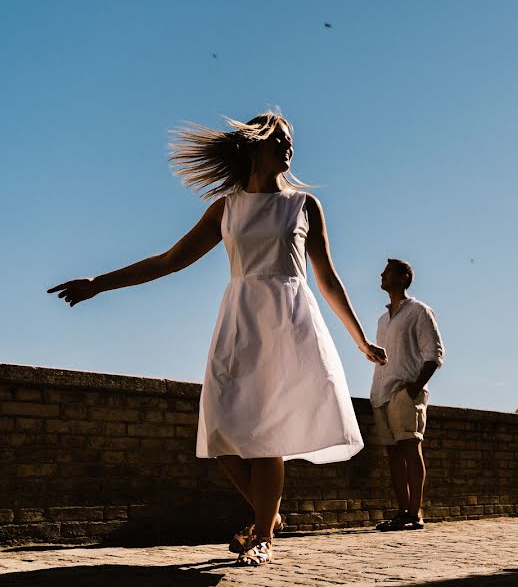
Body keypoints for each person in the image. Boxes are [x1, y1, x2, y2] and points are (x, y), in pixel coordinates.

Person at [48, 111, 386, 566]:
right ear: (254, 146)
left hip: (288, 321)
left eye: (291, 140)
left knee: (267, 434)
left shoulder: (303, 205)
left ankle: (263, 534)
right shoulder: (226, 207)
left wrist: (360, 339)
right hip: (240, 322)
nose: (288, 146)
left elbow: (326, 277)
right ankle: (270, 515)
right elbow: (170, 260)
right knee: (222, 431)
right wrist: (99, 283)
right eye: (279, 139)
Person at [370, 258, 444, 531]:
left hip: (405, 392)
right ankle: (402, 512)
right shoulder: (382, 319)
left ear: (403, 278)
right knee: (393, 455)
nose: (381, 274)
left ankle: (415, 513)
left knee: (411, 449)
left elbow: (434, 353)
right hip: (381, 393)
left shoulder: (419, 311)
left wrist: (413, 388)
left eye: (387, 271)